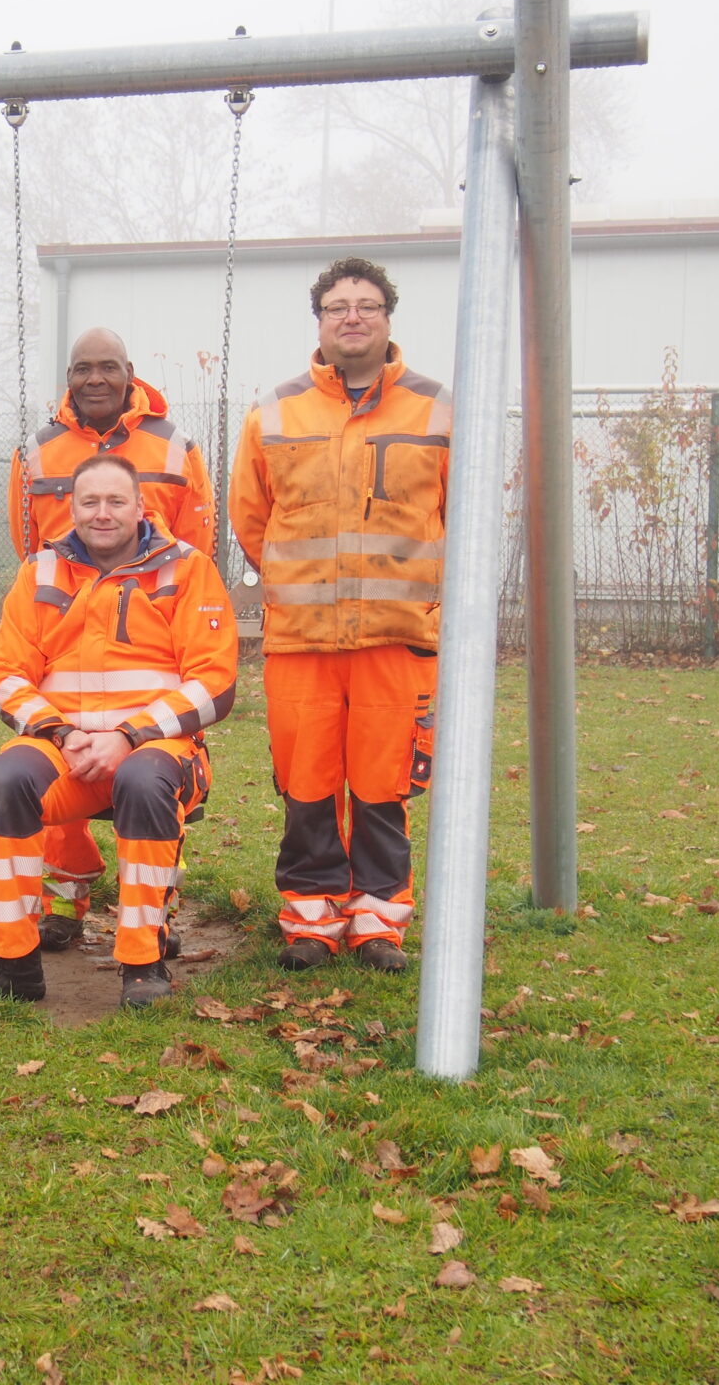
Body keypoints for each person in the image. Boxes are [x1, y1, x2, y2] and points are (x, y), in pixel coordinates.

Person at [0, 455, 236, 1009]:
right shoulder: (41, 570)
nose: (103, 514)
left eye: (116, 501)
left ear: (140, 507)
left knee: (146, 784)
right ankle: (11, 961)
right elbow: (4, 675)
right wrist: (58, 732)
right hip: (65, 750)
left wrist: (130, 735)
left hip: (157, 751)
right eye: (90, 502)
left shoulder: (188, 568)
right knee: (6, 780)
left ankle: (143, 962)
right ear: (72, 508)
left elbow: (215, 683)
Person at [229, 257, 448, 974]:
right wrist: (303, 583)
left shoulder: (438, 410)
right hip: (302, 643)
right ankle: (310, 921)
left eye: (367, 304)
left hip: (398, 638)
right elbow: (250, 518)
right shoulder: (276, 412)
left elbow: (459, 515)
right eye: (336, 307)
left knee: (384, 784)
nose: (352, 316)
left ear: (389, 317)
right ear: (319, 322)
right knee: (308, 782)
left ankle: (379, 923)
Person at [5, 327, 217, 952]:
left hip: (148, 628)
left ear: (130, 373)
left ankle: (151, 913)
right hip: (60, 627)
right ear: (67, 377)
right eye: (81, 369)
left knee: (151, 772)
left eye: (107, 368)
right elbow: (26, 543)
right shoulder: (40, 451)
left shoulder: (174, 446)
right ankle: (63, 897)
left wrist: (166, 611)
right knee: (48, 745)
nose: (95, 379)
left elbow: (197, 538)